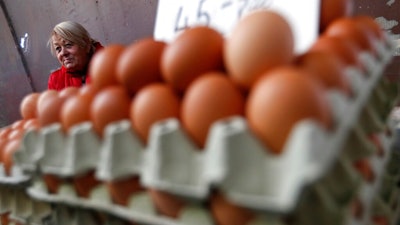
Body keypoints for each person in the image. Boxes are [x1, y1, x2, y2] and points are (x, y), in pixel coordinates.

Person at [47, 21, 103, 91]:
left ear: (87, 45)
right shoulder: (56, 80)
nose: (63, 53)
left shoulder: (109, 64)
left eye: (68, 45)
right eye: (58, 48)